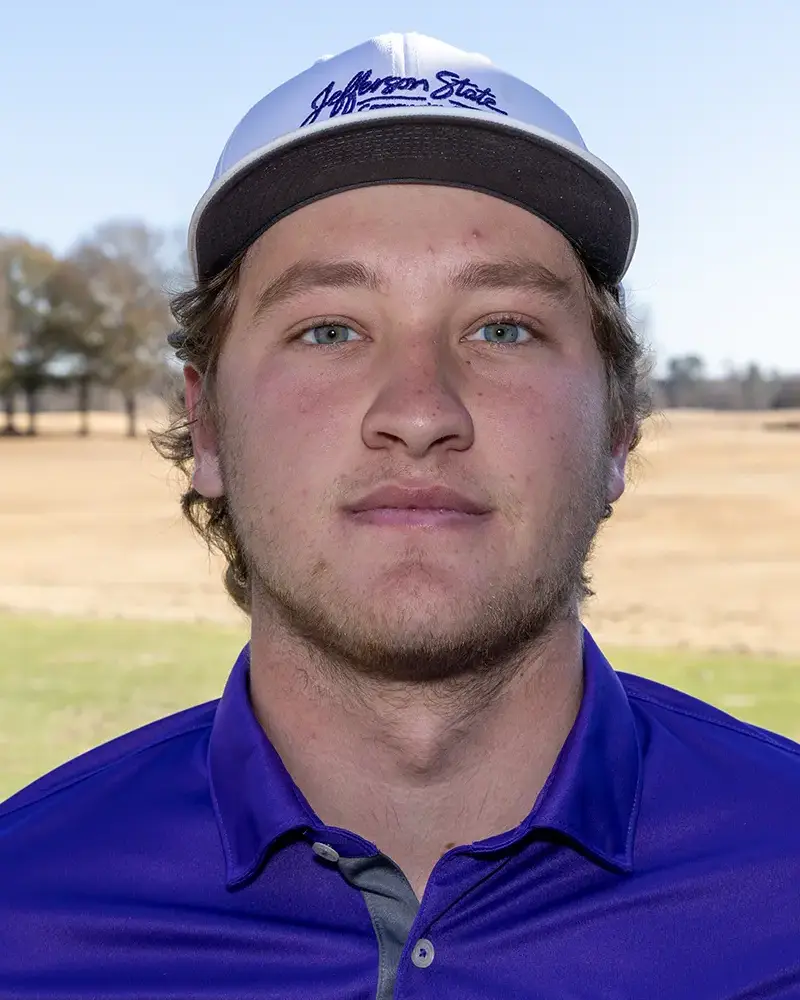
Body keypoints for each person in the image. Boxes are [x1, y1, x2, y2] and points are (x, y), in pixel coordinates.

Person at [1, 31, 798, 999]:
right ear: (204, 422)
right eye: (328, 329)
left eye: (502, 326)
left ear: (617, 426)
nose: (419, 410)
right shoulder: (25, 912)